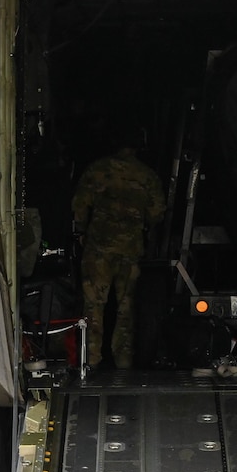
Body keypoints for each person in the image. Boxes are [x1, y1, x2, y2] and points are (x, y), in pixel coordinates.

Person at [72, 139, 166, 371]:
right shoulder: (147, 175)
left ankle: (90, 359)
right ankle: (124, 361)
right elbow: (157, 213)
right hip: (131, 250)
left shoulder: (98, 169)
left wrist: (83, 230)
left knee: (94, 304)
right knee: (127, 307)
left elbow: (80, 205)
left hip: (99, 248)